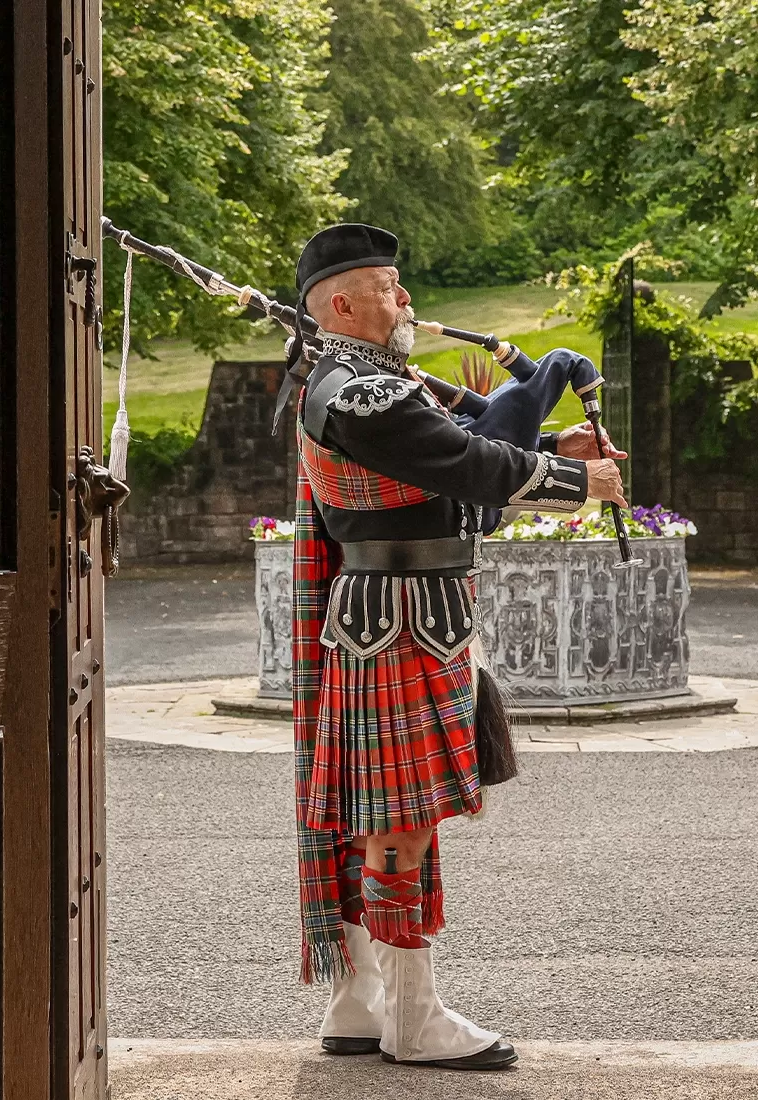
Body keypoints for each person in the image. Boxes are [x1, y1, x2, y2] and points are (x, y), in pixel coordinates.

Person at [287, 223, 627, 1072]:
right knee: (399, 818)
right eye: (390, 285)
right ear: (340, 303)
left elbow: (445, 476)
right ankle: (414, 1017)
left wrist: (552, 451)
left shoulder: (367, 384)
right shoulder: (355, 388)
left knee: (377, 816)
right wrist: (578, 481)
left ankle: (360, 1001)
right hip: (400, 619)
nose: (406, 299)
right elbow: (457, 459)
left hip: (404, 612)